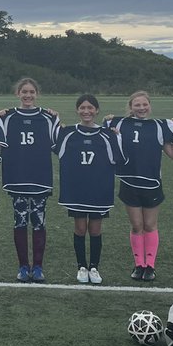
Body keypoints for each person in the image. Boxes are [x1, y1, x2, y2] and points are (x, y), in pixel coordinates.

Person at [105, 91, 173, 282]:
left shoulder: (160, 126)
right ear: (130, 107)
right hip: (129, 182)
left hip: (151, 183)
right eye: (137, 105)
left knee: (149, 225)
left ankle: (150, 266)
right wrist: (108, 123)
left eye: (144, 104)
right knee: (136, 225)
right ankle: (138, 264)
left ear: (150, 105)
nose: (141, 108)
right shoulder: (119, 123)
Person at [54, 95, 127, 285]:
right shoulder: (67, 133)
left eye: (90, 108)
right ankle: (81, 266)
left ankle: (94, 267)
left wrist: (117, 135)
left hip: (99, 188)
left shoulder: (107, 134)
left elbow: (118, 158)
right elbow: (52, 142)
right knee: (80, 228)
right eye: (82, 108)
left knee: (95, 229)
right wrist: (53, 118)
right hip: (77, 188)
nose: (86, 111)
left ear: (97, 111)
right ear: (77, 110)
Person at [0, 78, 60, 283]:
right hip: (17, 177)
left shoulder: (49, 118)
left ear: (36, 94)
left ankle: (38, 267)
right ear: (18, 94)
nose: (28, 95)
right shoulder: (6, 117)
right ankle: (23, 266)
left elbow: (60, 144)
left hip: (39, 177)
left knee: (39, 222)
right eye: (24, 92)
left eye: (31, 92)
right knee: (20, 220)